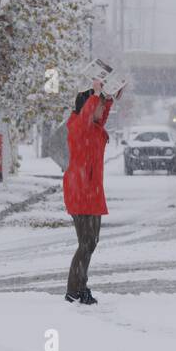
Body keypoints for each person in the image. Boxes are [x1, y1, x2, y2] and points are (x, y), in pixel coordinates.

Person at [63, 79, 122, 304]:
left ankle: (80, 286)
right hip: (80, 191)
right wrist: (96, 94)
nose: (100, 110)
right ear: (88, 105)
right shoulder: (78, 126)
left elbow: (99, 115)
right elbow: (89, 114)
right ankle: (74, 289)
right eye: (96, 105)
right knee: (86, 243)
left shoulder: (94, 128)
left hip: (92, 191)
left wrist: (109, 98)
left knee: (91, 242)